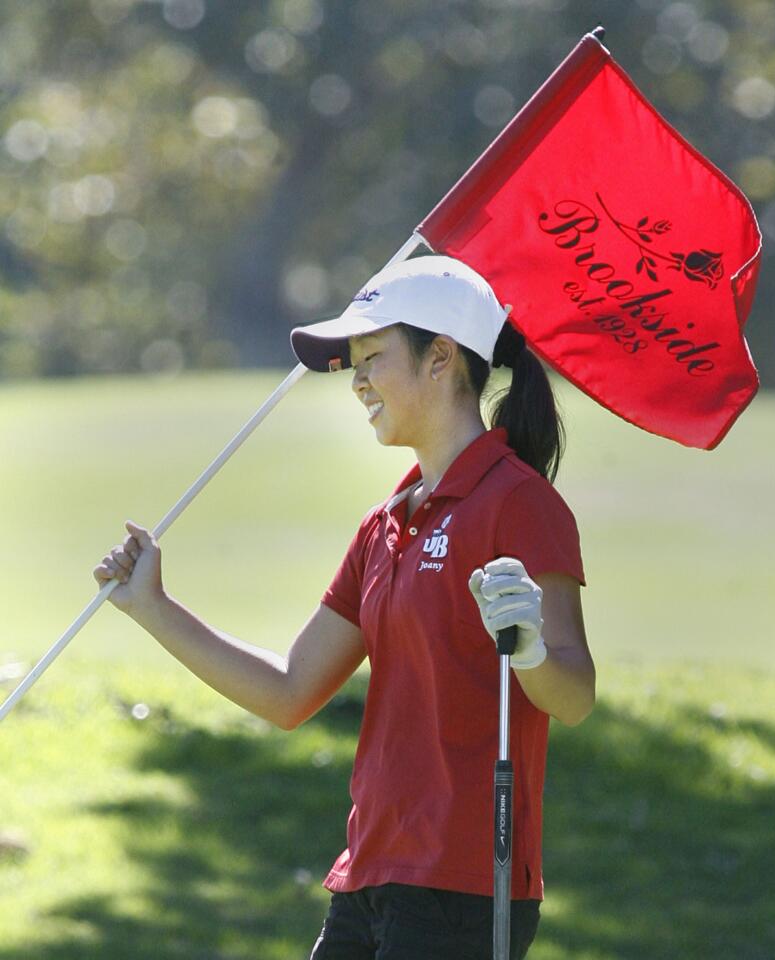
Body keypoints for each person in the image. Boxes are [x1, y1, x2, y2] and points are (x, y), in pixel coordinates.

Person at [94, 255, 595, 960]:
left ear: (441, 359)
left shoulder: (519, 504)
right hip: (368, 875)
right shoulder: (384, 523)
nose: (355, 381)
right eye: (352, 364)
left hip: (466, 889)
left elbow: (572, 696)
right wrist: (153, 608)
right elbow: (289, 692)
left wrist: (532, 649)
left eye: (370, 358)